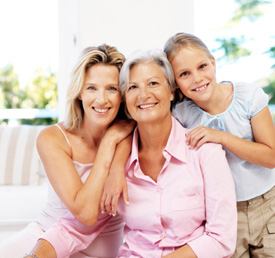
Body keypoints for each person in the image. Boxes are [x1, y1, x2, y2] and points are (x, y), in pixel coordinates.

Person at [26, 49, 237, 258]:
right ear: (124, 98)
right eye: (133, 87)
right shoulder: (121, 162)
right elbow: (77, 228)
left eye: (153, 83)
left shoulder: (205, 151)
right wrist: (36, 256)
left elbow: (221, 239)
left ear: (172, 91)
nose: (143, 95)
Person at [0, 44, 135, 258]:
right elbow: (85, 212)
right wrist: (109, 141)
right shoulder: (53, 138)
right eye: (91, 88)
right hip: (47, 234)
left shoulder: (131, 133)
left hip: (102, 250)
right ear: (79, 92)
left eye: (111, 88)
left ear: (122, 95)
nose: (101, 99)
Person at [164, 32, 275, 257]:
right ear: (175, 84)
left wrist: (221, 137)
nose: (197, 78)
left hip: (269, 206)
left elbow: (271, 157)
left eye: (202, 66)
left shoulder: (248, 96)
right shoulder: (180, 115)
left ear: (213, 63)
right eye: (184, 74)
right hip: (225, 216)